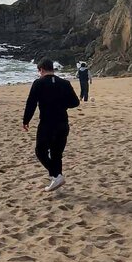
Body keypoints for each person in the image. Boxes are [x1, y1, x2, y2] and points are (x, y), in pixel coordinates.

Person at [22, 58, 80, 192]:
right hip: (63, 123)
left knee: (40, 151)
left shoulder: (38, 83)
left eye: (39, 71)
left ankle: (56, 175)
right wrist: (61, 104)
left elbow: (31, 103)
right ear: (52, 69)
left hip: (47, 124)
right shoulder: (65, 83)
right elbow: (75, 102)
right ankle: (56, 179)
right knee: (56, 153)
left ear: (41, 70)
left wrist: (26, 120)